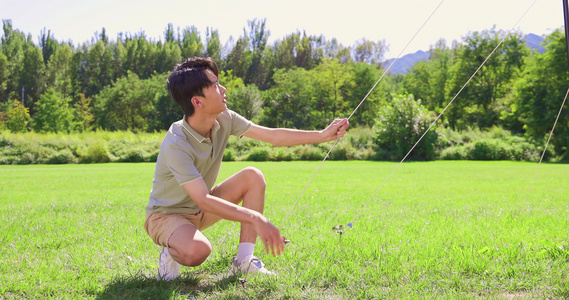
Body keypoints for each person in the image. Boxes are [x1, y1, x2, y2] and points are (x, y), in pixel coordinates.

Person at [145, 57, 349, 280]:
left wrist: (321, 136)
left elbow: (273, 136)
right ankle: (170, 252)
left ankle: (244, 261)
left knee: (253, 176)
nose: (223, 89)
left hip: (200, 210)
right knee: (198, 251)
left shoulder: (225, 118)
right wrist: (255, 218)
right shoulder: (177, 143)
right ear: (198, 101)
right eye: (215, 85)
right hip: (167, 217)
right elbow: (203, 198)